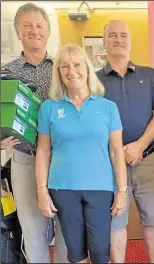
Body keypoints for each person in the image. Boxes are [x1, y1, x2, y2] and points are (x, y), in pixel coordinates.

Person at [35, 44, 127, 263]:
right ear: (59, 73)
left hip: (100, 188)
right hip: (63, 188)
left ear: (87, 69)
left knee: (100, 251)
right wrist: (42, 191)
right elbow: (43, 152)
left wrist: (122, 190)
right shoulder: (48, 108)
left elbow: (116, 152)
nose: (71, 71)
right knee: (75, 251)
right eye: (64, 66)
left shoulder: (108, 107)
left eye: (76, 64)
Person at [97, 20, 154, 263]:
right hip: (110, 164)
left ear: (130, 40)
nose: (118, 40)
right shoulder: (93, 80)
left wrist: (138, 146)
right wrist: (119, 151)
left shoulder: (149, 75)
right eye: (112, 35)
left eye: (123, 35)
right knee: (116, 221)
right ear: (105, 41)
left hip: (147, 159)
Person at [2, 3, 68, 263]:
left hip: (64, 160)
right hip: (25, 159)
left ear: (48, 32)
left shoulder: (63, 68)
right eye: (27, 26)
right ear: (18, 31)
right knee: (33, 231)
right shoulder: (6, 73)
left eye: (39, 25)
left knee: (66, 229)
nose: (34, 31)